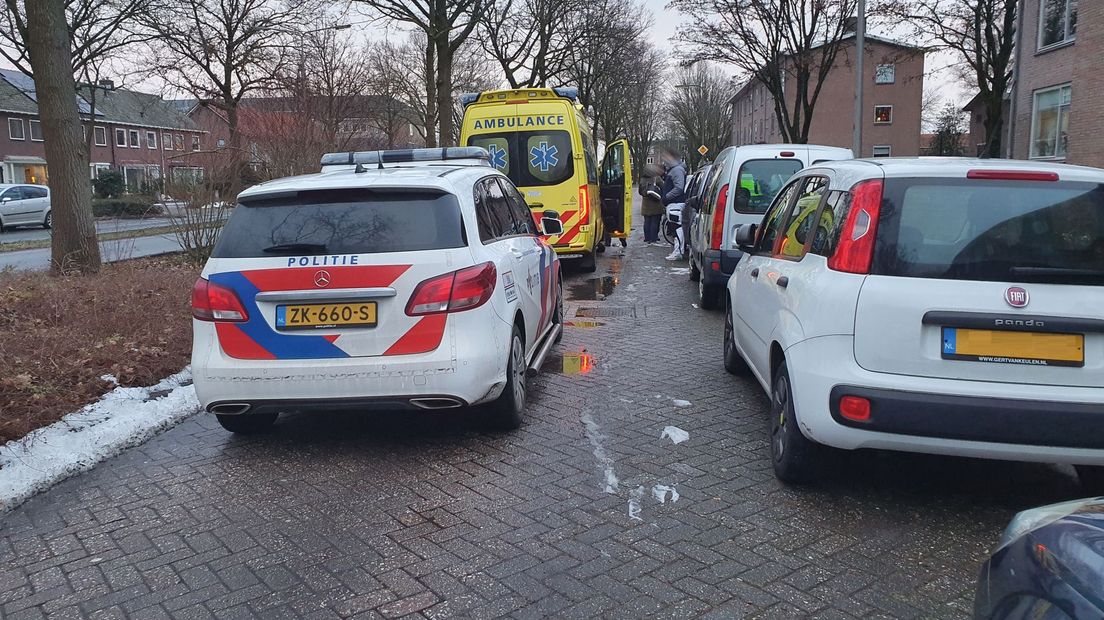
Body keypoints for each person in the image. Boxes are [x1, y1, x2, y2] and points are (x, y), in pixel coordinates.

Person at [657, 147, 687, 260]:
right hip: (674, 203)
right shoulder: (674, 169)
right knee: (675, 227)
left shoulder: (677, 170)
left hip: (676, 203)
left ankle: (678, 251)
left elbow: (679, 187)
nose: (664, 159)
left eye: (666, 156)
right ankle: (677, 250)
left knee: (677, 227)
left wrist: (666, 196)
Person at [639, 164, 664, 244]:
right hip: (655, 203)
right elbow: (663, 187)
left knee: (647, 221)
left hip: (646, 203)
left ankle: (647, 238)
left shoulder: (642, 179)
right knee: (655, 221)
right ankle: (654, 238)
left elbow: (640, 192)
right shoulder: (657, 178)